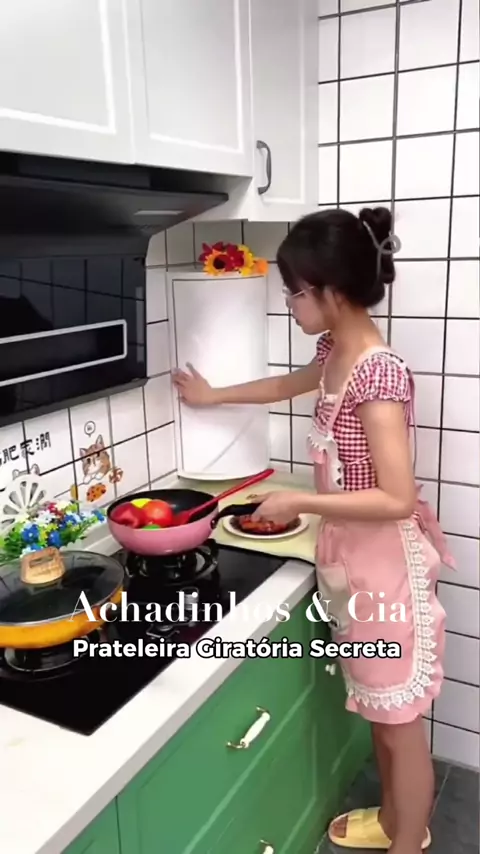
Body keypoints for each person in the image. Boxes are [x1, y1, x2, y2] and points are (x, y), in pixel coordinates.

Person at [172, 207, 455, 854]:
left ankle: (408, 839)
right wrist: (214, 396)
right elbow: (287, 383)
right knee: (382, 714)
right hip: (352, 559)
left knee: (399, 724)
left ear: (330, 291)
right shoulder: (334, 353)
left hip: (386, 566)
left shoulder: (378, 372)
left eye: (294, 293)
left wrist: (301, 501)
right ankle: (395, 823)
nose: (290, 305)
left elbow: (397, 497)